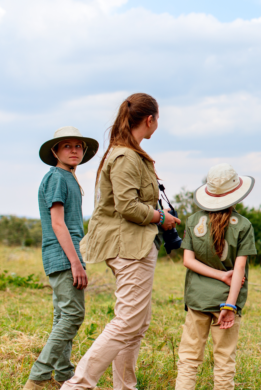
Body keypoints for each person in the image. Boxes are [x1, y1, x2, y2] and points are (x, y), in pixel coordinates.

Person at [61, 93, 180, 390]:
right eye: (158, 119)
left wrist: (156, 214)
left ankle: (125, 387)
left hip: (134, 245)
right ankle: (77, 385)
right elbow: (127, 206)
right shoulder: (126, 155)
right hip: (129, 247)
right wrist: (160, 218)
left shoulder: (128, 152)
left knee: (137, 325)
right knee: (127, 322)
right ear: (150, 119)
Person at [24, 126, 99, 390]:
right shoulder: (56, 176)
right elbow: (58, 223)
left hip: (66, 255)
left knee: (62, 316)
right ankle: (38, 377)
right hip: (65, 257)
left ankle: (65, 375)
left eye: (78, 146)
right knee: (72, 316)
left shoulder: (67, 177)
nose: (74, 150)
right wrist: (76, 262)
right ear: (55, 151)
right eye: (66, 146)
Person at [175, 163, 257, 390]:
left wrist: (219, 276)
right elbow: (238, 270)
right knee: (224, 360)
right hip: (226, 302)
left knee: (189, 358)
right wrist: (230, 305)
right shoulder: (244, 225)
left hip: (197, 299)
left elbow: (187, 261)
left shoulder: (192, 221)